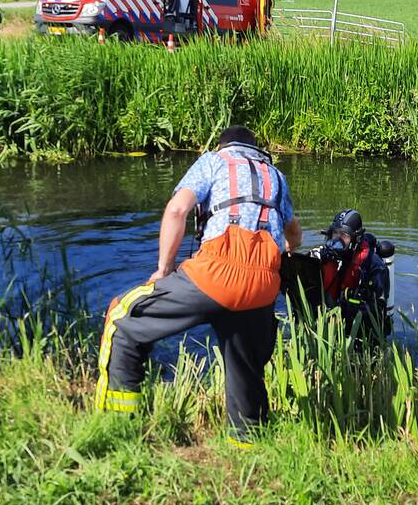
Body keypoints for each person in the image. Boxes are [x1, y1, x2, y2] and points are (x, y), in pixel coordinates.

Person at [95, 125, 302, 448]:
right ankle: (247, 447)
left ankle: (117, 426)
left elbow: (177, 209)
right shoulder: (275, 176)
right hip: (263, 285)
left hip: (215, 273)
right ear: (256, 149)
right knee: (244, 367)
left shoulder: (213, 162)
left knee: (124, 317)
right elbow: (294, 235)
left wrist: (163, 270)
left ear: (223, 146)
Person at [311, 209, 392, 340]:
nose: (337, 240)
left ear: (356, 239)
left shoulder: (374, 266)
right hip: (332, 324)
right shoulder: (329, 257)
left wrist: (344, 310)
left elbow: (377, 312)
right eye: (335, 233)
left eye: (344, 236)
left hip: (362, 333)